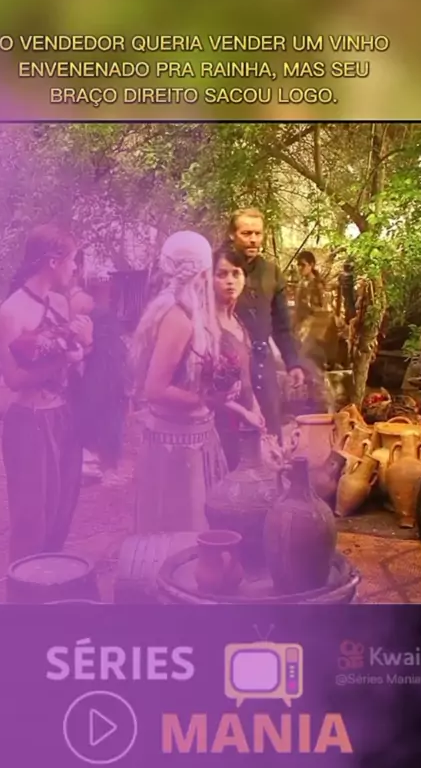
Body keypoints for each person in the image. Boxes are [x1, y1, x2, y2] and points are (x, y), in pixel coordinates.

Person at [0, 224, 93, 562]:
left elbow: (74, 363)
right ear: (53, 261)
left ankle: (51, 580)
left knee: (62, 508)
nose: (75, 268)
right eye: (72, 260)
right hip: (29, 422)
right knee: (31, 517)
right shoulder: (11, 311)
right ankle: (25, 585)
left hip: (64, 416)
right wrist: (65, 359)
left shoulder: (61, 303)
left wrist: (85, 344)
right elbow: (13, 378)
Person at [129, 230, 230, 533]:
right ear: (203, 273)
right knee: (184, 527)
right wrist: (205, 399)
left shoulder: (177, 309)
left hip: (183, 436)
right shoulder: (178, 319)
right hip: (178, 444)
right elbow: (155, 389)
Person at [226, 208, 305, 440]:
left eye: (258, 233)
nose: (253, 239)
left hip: (262, 361)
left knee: (270, 431)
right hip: (226, 364)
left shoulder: (272, 272)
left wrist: (293, 363)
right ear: (232, 234)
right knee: (231, 434)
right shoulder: (219, 269)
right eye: (246, 233)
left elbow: (282, 325)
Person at [73, 266, 127, 485]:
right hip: (96, 366)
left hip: (101, 366)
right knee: (95, 402)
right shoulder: (89, 307)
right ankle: (92, 457)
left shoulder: (100, 314)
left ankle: (94, 457)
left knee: (99, 401)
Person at [212, 246, 265, 470]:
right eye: (221, 274)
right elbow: (204, 390)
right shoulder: (207, 327)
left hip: (244, 425)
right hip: (215, 427)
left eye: (236, 273)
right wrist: (244, 413)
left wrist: (256, 409)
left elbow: (245, 378)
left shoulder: (239, 324)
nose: (230, 281)